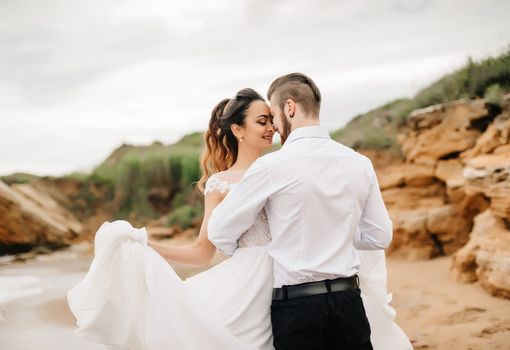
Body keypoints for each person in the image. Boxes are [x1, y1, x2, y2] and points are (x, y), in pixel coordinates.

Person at [67, 84, 412, 350]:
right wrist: (146, 245)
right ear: (237, 130)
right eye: (262, 121)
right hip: (248, 287)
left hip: (294, 281)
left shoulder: (286, 170)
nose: (272, 128)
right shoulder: (221, 184)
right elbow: (204, 251)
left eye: (272, 120)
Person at [207, 73, 412, 349]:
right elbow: (379, 236)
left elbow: (219, 231)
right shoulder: (359, 163)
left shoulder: (272, 166)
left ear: (289, 108)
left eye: (274, 115)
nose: (275, 127)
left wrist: (253, 253)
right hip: (350, 303)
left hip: (298, 309)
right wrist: (335, 233)